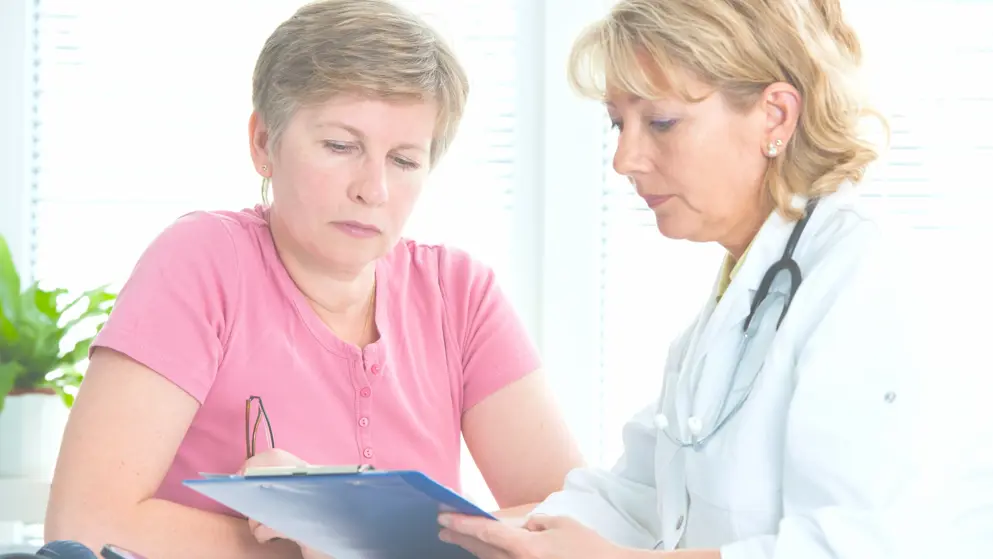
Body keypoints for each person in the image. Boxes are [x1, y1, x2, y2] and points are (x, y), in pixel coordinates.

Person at [436, 0, 993, 558]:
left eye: (660, 122)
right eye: (617, 124)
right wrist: (438, 531)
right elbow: (639, 499)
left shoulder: (874, 285)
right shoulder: (737, 302)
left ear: (775, 116)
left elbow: (868, 547)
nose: (624, 159)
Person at [44, 1, 583, 557]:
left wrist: (354, 539)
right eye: (340, 146)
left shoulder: (460, 294)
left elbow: (576, 521)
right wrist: (317, 547)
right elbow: (84, 520)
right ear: (262, 143)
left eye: (403, 160)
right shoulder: (202, 261)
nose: (372, 189)